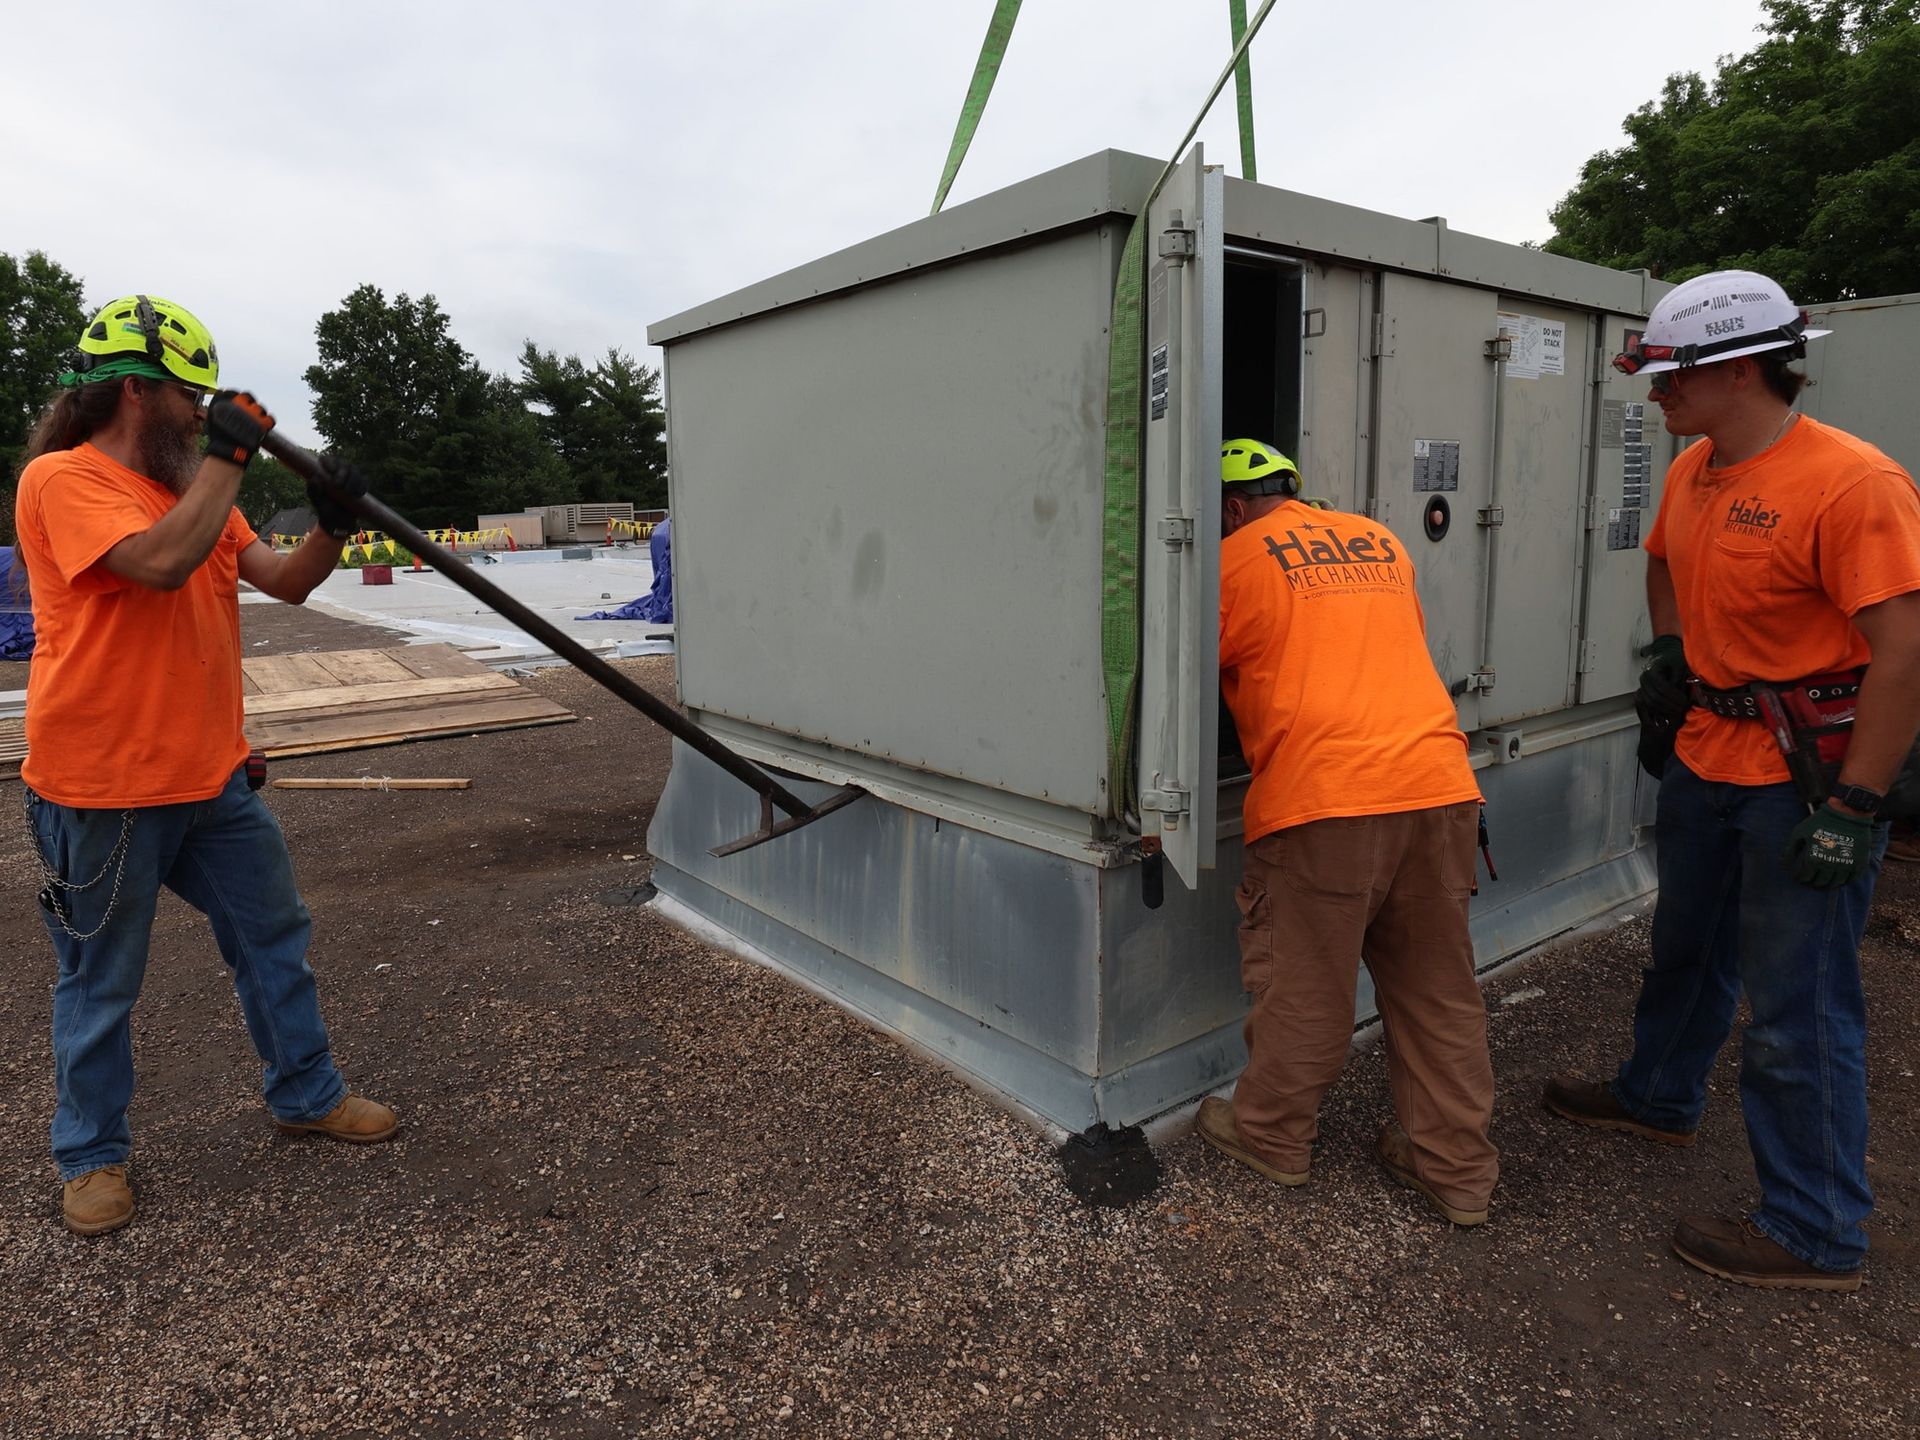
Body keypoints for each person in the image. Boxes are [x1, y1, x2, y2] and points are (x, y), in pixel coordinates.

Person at [1543, 270, 1920, 1293]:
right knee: (1685, 952)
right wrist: (1671, 652)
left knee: (1798, 1009)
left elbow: (1904, 653)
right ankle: (1660, 1096)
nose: (1654, 397)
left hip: (1803, 782)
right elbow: (1662, 562)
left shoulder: (1851, 485)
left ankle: (1816, 1228)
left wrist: (1855, 806)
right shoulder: (1697, 469)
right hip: (1708, 758)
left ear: (1741, 368)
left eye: (1670, 379)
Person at [14, 294, 390, 1237]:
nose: (203, 411)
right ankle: (91, 1157)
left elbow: (287, 582)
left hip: (213, 779)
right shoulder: (63, 480)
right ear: (136, 390)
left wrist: (332, 524)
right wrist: (228, 457)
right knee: (100, 983)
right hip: (103, 787)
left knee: (275, 940)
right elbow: (156, 565)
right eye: (193, 397)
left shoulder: (198, 492)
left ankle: (306, 1092)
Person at [1194, 439, 1499, 1226]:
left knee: (1305, 985)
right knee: (1438, 994)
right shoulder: (1380, 540)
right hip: (1438, 788)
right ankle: (1456, 1171)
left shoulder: (1233, 561)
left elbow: (1186, 681)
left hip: (1325, 800)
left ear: (1230, 508)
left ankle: (1270, 1135)